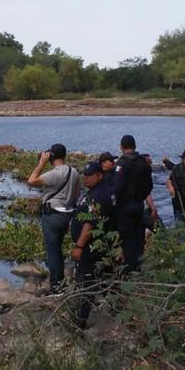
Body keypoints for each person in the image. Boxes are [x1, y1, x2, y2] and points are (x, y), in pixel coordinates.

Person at [27, 143, 80, 294]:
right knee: (58, 249)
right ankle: (61, 282)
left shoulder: (54, 174)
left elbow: (31, 181)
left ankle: (57, 287)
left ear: (52, 156)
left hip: (52, 215)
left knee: (53, 252)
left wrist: (41, 164)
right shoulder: (73, 171)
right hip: (67, 215)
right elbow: (77, 194)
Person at [69, 161, 116, 328]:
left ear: (99, 176)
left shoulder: (100, 194)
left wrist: (79, 246)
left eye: (90, 176)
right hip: (96, 244)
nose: (86, 179)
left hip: (90, 246)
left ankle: (81, 320)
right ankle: (112, 308)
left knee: (86, 281)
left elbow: (90, 223)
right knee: (102, 277)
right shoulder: (96, 191)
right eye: (85, 176)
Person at [112, 134, 153, 273]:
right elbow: (149, 185)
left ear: (122, 147)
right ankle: (139, 265)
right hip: (139, 204)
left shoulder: (122, 164)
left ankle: (131, 271)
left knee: (128, 239)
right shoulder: (143, 162)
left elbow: (116, 187)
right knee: (139, 237)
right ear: (134, 146)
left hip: (125, 206)